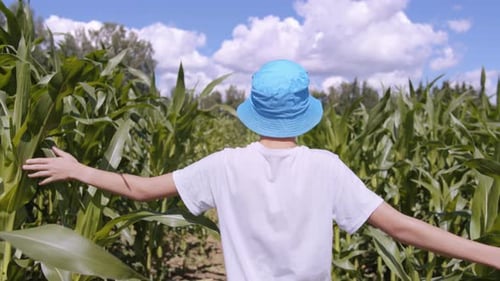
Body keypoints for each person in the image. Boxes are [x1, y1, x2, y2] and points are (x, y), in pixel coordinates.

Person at [23, 59, 500, 280]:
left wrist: (80, 169)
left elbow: (145, 190)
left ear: (253, 109)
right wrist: (491, 255)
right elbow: (401, 227)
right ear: (304, 112)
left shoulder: (223, 166)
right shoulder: (326, 167)